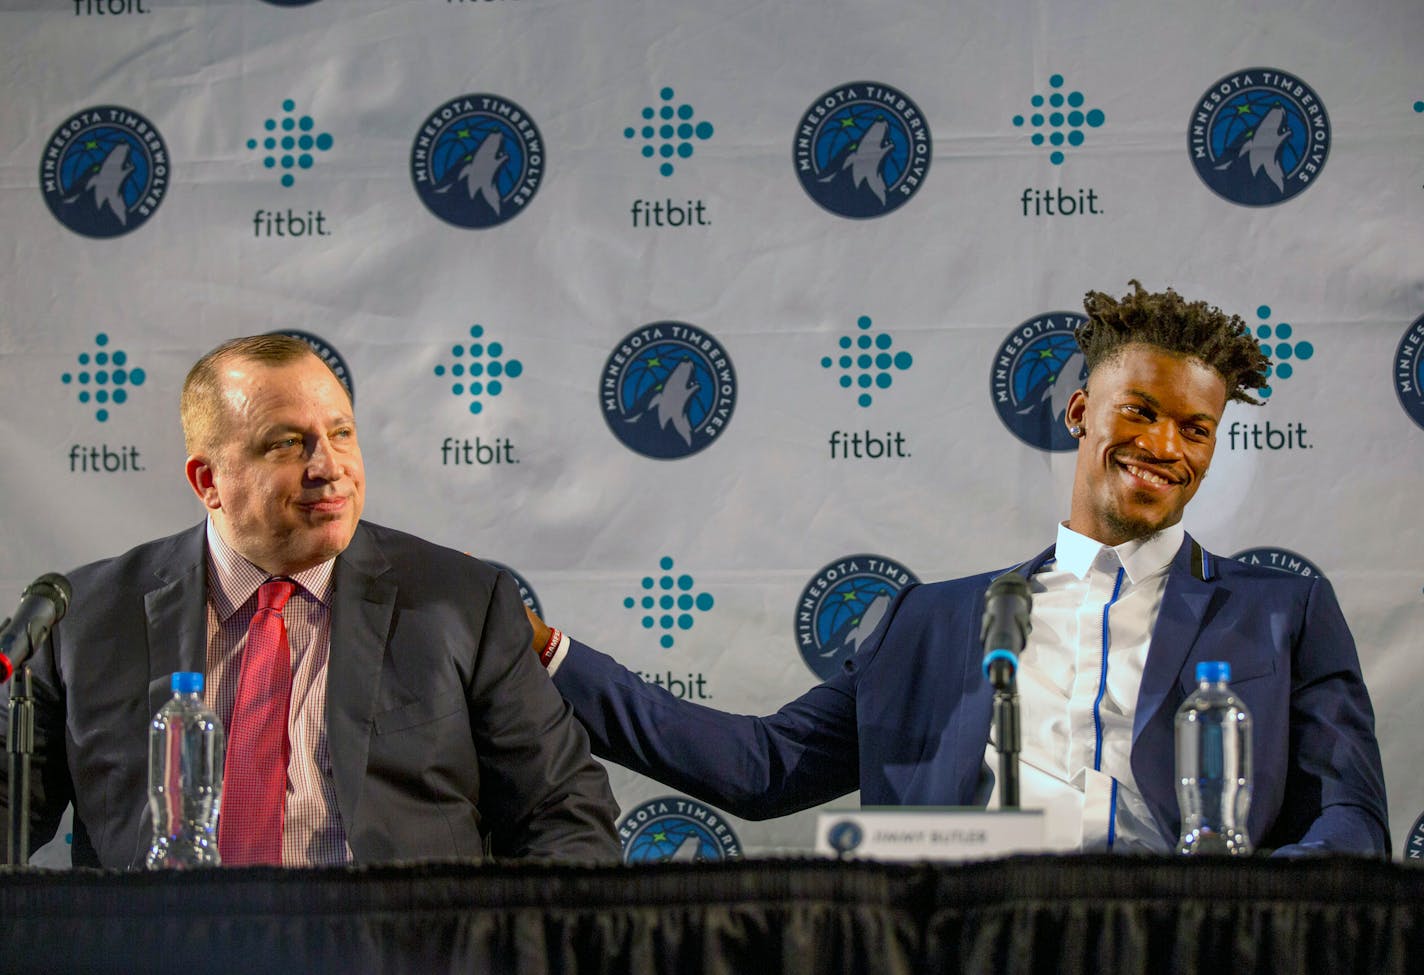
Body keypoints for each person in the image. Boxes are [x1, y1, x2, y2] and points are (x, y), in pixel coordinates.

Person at [531, 282, 1389, 856]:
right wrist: (550, 656)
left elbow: (1348, 817)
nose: (1165, 446)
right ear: (1083, 410)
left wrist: (1246, 913)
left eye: (1194, 428)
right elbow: (760, 765)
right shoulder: (929, 623)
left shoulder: (1286, 610)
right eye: (1141, 411)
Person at [1, 334, 619, 867]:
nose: (330, 467)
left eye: (341, 433)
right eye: (287, 444)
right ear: (208, 481)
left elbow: (562, 814)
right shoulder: (82, 620)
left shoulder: (462, 603)